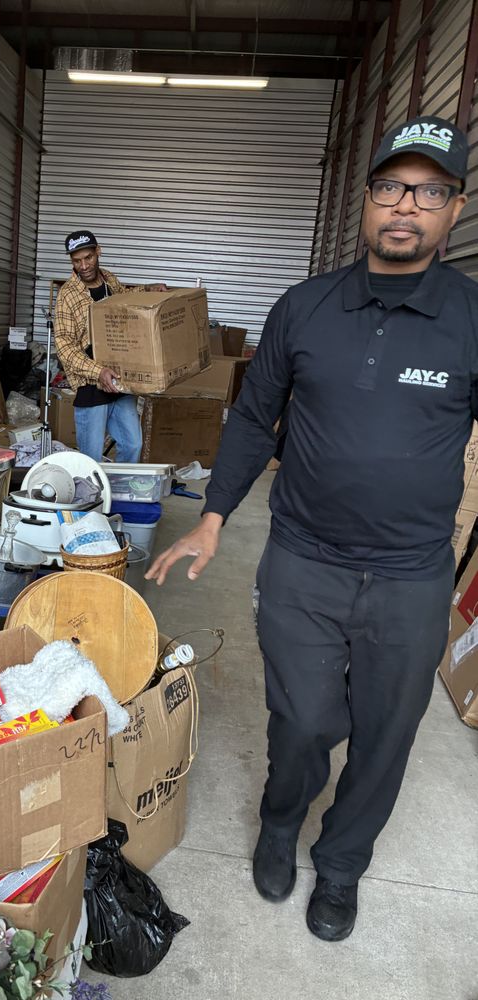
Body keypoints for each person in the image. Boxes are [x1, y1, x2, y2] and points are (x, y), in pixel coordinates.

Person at [146, 115, 473, 942]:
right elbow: (255, 419)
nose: (408, 207)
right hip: (304, 559)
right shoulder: (306, 307)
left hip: (411, 573)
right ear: (366, 202)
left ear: (454, 210)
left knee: (388, 734)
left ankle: (341, 866)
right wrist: (212, 519)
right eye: (392, 188)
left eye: (429, 192)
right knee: (301, 722)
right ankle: (281, 824)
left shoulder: (471, 316)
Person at [53, 230, 165, 462]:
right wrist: (98, 371)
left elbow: (124, 299)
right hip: (92, 384)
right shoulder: (67, 295)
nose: (83, 266)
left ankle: (117, 493)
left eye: (88, 258)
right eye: (76, 260)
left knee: (133, 444)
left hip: (119, 379)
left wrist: (147, 289)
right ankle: (94, 496)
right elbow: (64, 348)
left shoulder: (109, 280)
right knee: (91, 457)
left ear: (98, 252)